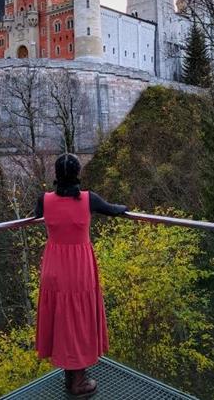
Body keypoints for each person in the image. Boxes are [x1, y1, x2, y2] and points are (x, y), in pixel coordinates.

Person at [32, 154, 128, 397]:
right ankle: (78, 382)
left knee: (62, 317)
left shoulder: (44, 200)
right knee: (78, 319)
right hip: (78, 268)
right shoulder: (88, 199)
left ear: (56, 174)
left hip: (54, 266)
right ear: (77, 174)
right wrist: (125, 208)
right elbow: (114, 210)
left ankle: (70, 376)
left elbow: (35, 214)